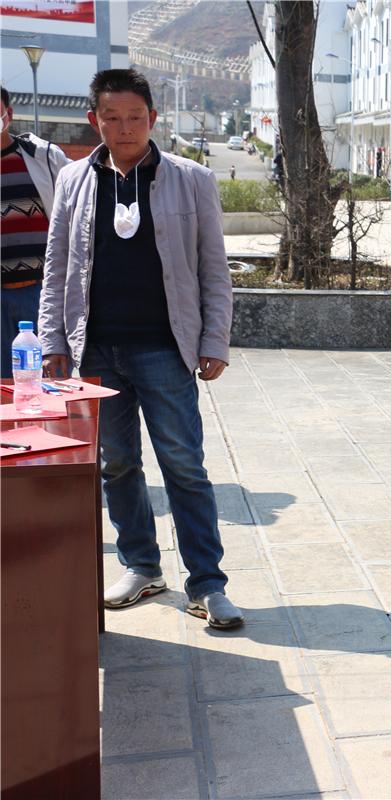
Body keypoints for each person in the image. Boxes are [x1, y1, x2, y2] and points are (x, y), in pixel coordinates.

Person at [39, 69, 242, 629]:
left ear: (153, 119)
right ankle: (141, 565)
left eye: (135, 117)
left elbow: (213, 269)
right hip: (95, 349)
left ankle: (207, 582)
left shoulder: (191, 179)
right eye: (111, 117)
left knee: (183, 463)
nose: (123, 128)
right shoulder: (74, 181)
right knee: (117, 464)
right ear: (93, 120)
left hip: (164, 347)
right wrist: (54, 338)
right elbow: (59, 265)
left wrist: (214, 340)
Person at [1, 86, 71, 379]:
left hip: (40, 293)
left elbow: (76, 213)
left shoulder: (43, 157)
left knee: (49, 382)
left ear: (8, 114)